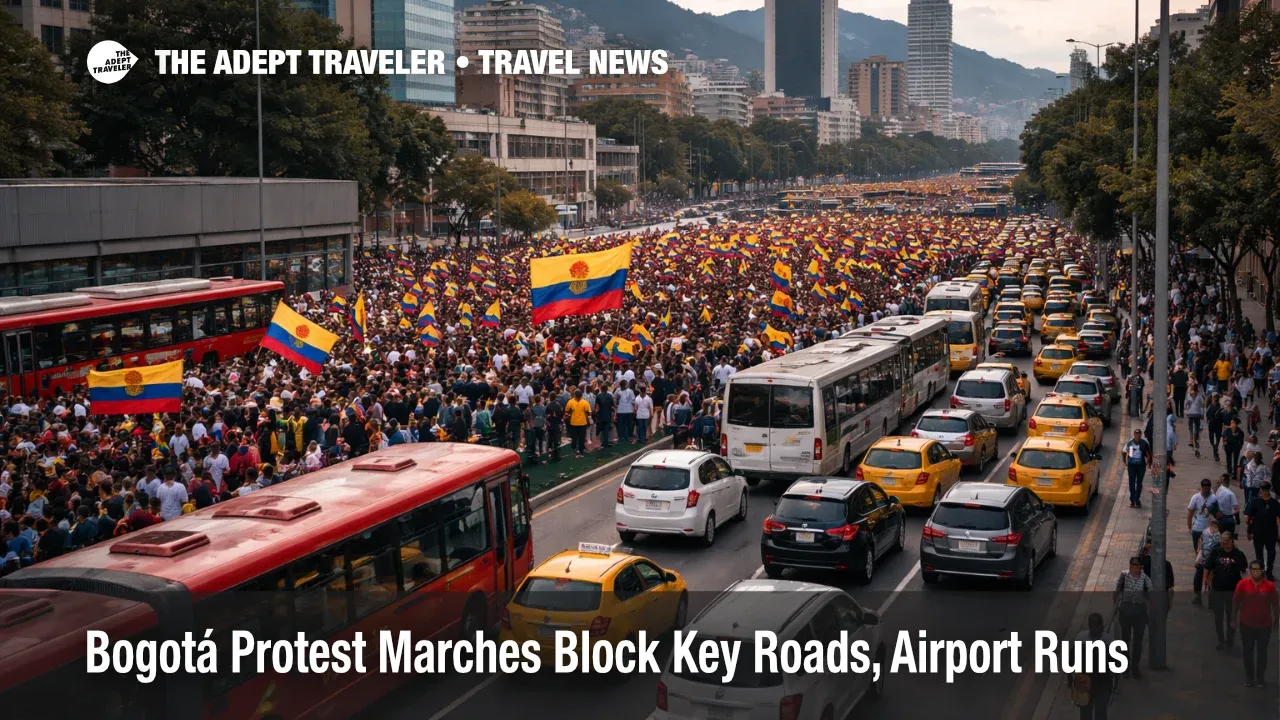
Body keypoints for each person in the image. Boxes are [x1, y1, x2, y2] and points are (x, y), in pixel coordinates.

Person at [1234, 560, 1279, 688]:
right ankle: (1249, 676)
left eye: (1257, 569)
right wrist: (1233, 618)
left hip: (1264, 625)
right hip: (1246, 624)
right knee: (1247, 651)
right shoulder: (1242, 584)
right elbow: (1236, 602)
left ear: (1262, 571)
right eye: (1252, 569)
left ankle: (1260, 677)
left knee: (1262, 652)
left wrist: (1276, 620)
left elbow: (1275, 605)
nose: (1254, 572)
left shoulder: (1269, 586)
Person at [1205, 529, 1249, 649]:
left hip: (1233, 591)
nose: (1223, 544)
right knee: (1218, 617)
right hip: (1218, 590)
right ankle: (1220, 640)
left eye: (1226, 542)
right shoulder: (1216, 551)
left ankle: (1230, 637)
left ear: (1232, 541)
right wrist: (1206, 581)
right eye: (1222, 542)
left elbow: (1244, 571)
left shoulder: (1238, 554)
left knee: (1231, 616)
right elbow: (1208, 567)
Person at [1070, 612, 1116, 720]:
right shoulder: (1081, 638)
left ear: (1101, 626)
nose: (1093, 628)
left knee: (1100, 712)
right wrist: (1071, 679)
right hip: (1084, 683)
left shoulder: (1109, 641)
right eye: (1091, 625)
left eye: (1095, 626)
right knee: (1085, 714)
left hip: (1103, 683)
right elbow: (1072, 659)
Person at [1112, 556, 1151, 678]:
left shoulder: (1145, 579)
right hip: (1125, 611)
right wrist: (1115, 607)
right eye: (1135, 566)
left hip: (1139, 612)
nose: (1137, 568)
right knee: (1125, 639)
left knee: (1138, 641)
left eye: (1139, 566)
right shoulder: (1124, 575)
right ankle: (1126, 665)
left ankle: (1135, 666)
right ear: (1130, 566)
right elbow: (1117, 590)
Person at [1245, 481, 1280, 580]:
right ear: (1269, 489)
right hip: (1271, 533)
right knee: (1271, 553)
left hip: (1258, 532)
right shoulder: (1275, 503)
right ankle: (1269, 572)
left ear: (1260, 489)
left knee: (1259, 554)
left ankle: (1261, 572)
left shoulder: (1255, 501)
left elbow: (1249, 518)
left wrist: (1249, 531)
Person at [1124, 429, 1152, 509]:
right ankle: (1132, 500)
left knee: (1139, 483)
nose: (1137, 436)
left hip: (1141, 466)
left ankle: (1137, 500)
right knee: (1132, 483)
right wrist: (1125, 461)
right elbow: (1125, 452)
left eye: (1139, 434)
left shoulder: (1144, 443)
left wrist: (1148, 463)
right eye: (1136, 434)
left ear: (1141, 434)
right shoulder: (1130, 443)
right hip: (1132, 466)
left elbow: (1148, 454)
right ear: (1134, 434)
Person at [565, 389, 591, 457]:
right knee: (581, 437)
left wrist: (568, 417)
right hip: (583, 423)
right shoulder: (585, 402)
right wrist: (590, 420)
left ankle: (574, 449)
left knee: (574, 437)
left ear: (575, 395)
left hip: (574, 423)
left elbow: (566, 412)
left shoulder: (570, 402)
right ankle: (581, 450)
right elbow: (589, 412)